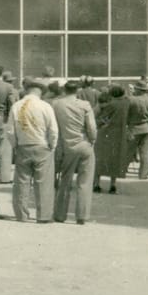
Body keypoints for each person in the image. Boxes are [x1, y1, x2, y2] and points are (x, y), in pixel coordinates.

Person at [10, 77, 59, 223]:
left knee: (21, 182)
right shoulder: (45, 106)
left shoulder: (16, 106)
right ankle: (43, 215)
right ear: (41, 91)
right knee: (43, 182)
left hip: (23, 145)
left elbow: (10, 131)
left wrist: (15, 145)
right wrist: (52, 145)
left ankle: (21, 215)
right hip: (42, 145)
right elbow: (53, 130)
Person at [52, 80, 97, 225]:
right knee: (85, 181)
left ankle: (60, 214)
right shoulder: (85, 105)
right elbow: (91, 127)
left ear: (64, 90)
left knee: (65, 180)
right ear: (77, 90)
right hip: (84, 144)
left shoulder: (56, 104)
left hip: (67, 146)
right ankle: (82, 216)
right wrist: (92, 140)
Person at [127, 80, 148, 180]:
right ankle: (143, 174)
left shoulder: (130, 100)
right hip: (147, 129)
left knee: (128, 152)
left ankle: (122, 171)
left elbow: (126, 115)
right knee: (145, 153)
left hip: (133, 128)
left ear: (138, 89)